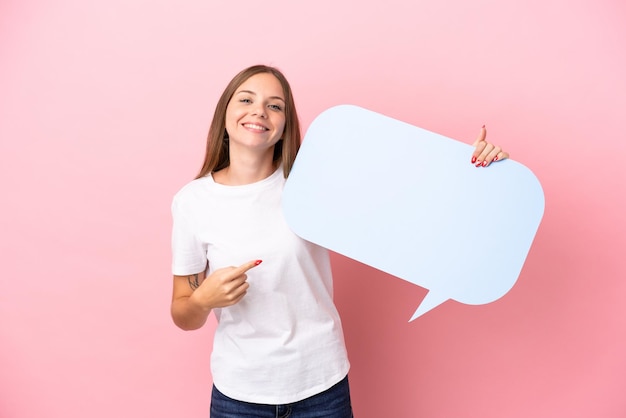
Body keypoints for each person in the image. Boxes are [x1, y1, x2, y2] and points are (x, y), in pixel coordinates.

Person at [170, 64, 508, 418]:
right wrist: (203, 299)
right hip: (238, 394)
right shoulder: (192, 202)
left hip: (321, 387)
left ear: (285, 124)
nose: (259, 111)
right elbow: (183, 312)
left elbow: (409, 204)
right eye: (246, 99)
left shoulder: (315, 183)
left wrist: (477, 171)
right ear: (225, 111)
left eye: (275, 105)